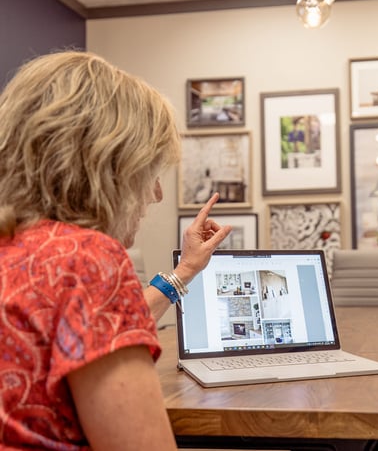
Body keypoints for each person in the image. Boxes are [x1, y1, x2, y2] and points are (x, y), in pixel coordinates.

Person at [0, 51, 231, 449]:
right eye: (149, 172)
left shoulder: (19, 247)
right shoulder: (86, 258)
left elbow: (83, 326)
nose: (156, 194)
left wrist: (188, 268)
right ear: (107, 168)